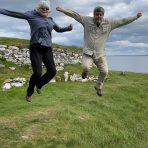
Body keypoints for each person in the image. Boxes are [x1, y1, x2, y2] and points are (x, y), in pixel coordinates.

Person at [56, 6, 142, 96]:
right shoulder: (86, 20)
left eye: (100, 15)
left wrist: (135, 17)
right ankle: (84, 73)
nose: (98, 16)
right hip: (87, 53)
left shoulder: (109, 23)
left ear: (103, 15)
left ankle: (98, 87)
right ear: (94, 15)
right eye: (97, 14)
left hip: (100, 54)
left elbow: (123, 21)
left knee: (105, 72)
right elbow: (74, 14)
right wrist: (62, 10)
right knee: (85, 67)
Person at [0, 0, 73, 102]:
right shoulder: (31, 15)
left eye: (47, 8)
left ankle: (39, 84)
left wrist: (68, 29)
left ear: (49, 10)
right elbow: (15, 13)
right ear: (38, 9)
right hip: (36, 48)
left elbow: (58, 29)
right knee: (37, 73)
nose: (45, 10)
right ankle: (29, 92)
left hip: (47, 48)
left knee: (52, 71)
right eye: (42, 8)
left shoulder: (50, 20)